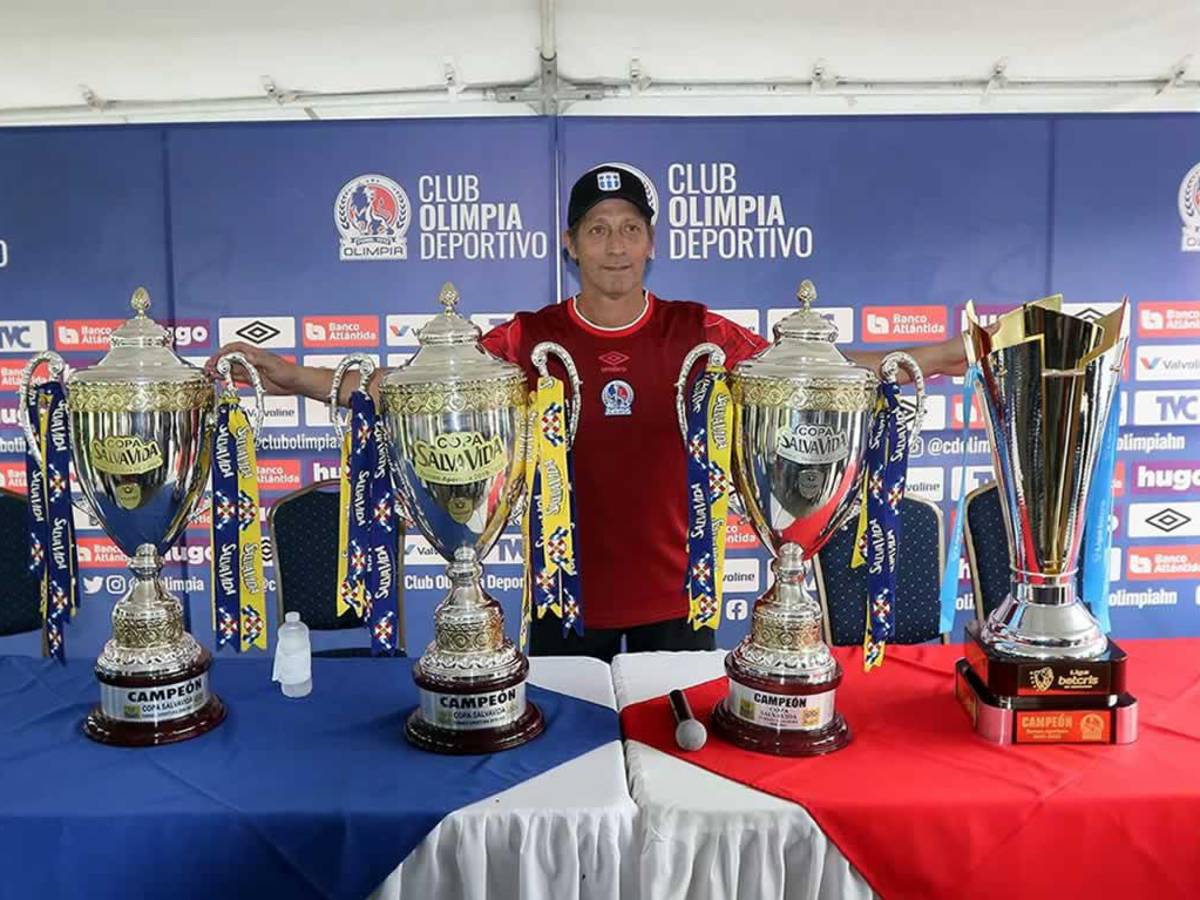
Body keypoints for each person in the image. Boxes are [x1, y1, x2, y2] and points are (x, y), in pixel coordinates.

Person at [208, 165, 969, 662]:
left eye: (630, 229)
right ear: (571, 244)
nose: (615, 246)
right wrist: (292, 377)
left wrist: (931, 358)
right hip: (565, 598)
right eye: (598, 230)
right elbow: (411, 389)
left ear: (652, 243)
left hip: (682, 599)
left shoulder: (697, 330)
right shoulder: (528, 338)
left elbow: (808, 375)